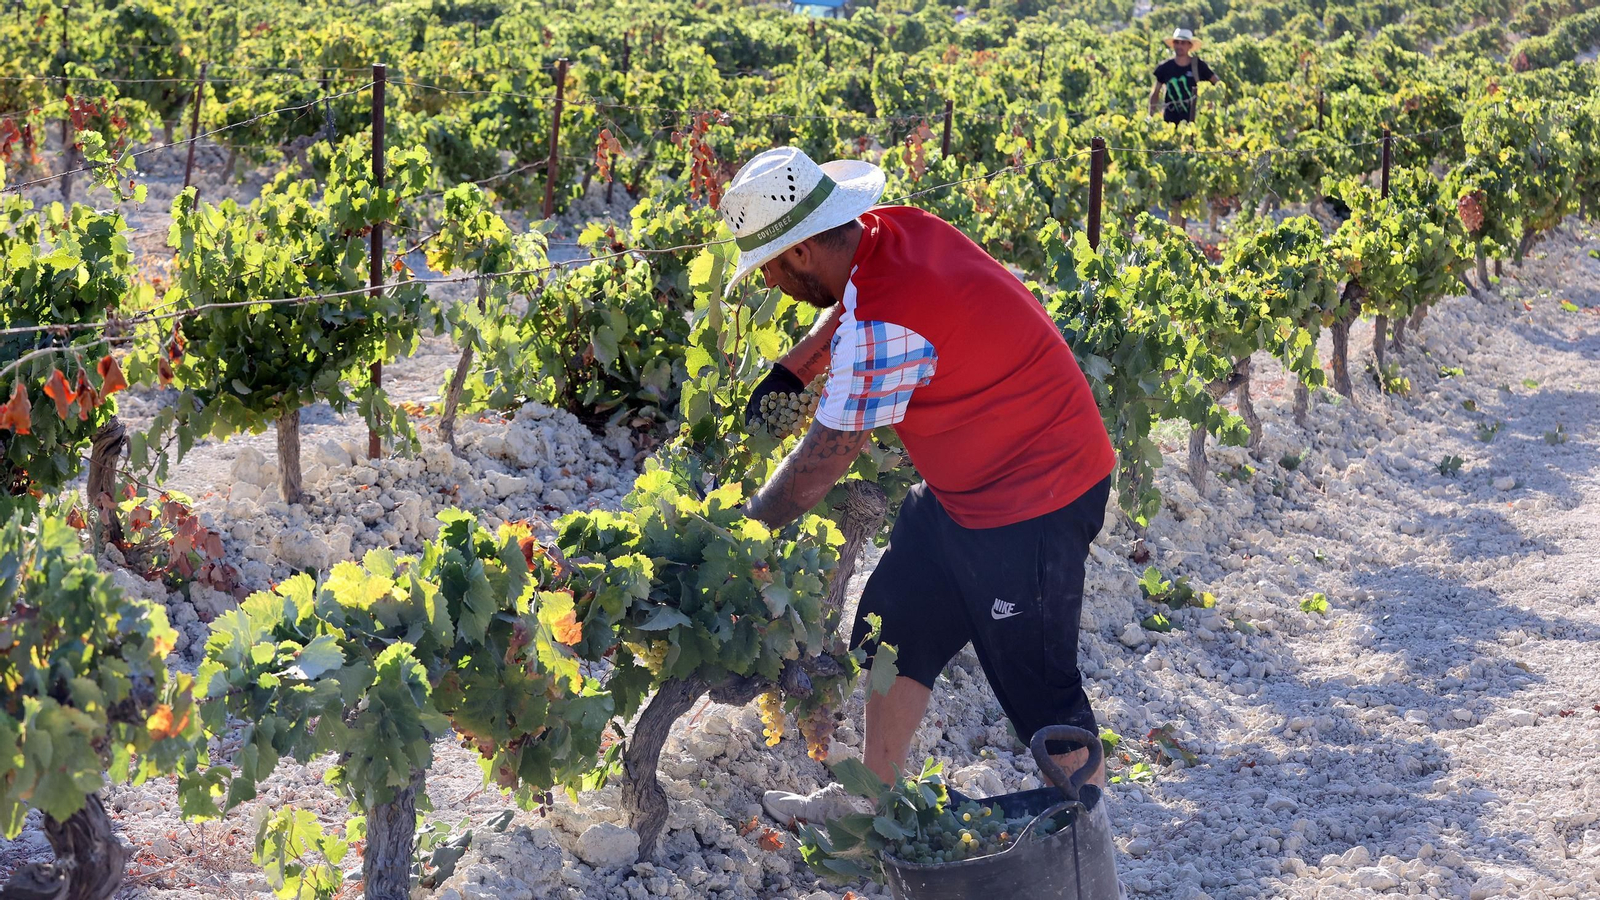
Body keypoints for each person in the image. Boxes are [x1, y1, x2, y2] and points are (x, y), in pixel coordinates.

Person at [713, 146, 1117, 822]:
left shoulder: (886, 321)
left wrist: (747, 531)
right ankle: (879, 802)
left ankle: (1086, 844)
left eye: (772, 269)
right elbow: (850, 305)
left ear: (803, 254)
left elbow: (827, 456)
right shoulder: (886, 233)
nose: (772, 285)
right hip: (970, 493)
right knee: (891, 625)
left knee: (1042, 693)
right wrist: (793, 367)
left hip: (1038, 499)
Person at [1149, 27, 1219, 125]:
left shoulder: (1198, 66)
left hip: (1193, 122)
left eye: (1183, 43)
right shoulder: (1165, 67)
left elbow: (1217, 83)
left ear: (1189, 45)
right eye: (1177, 42)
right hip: (1169, 122)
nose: (1179, 46)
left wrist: (1209, 106)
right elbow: (1155, 92)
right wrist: (1151, 116)